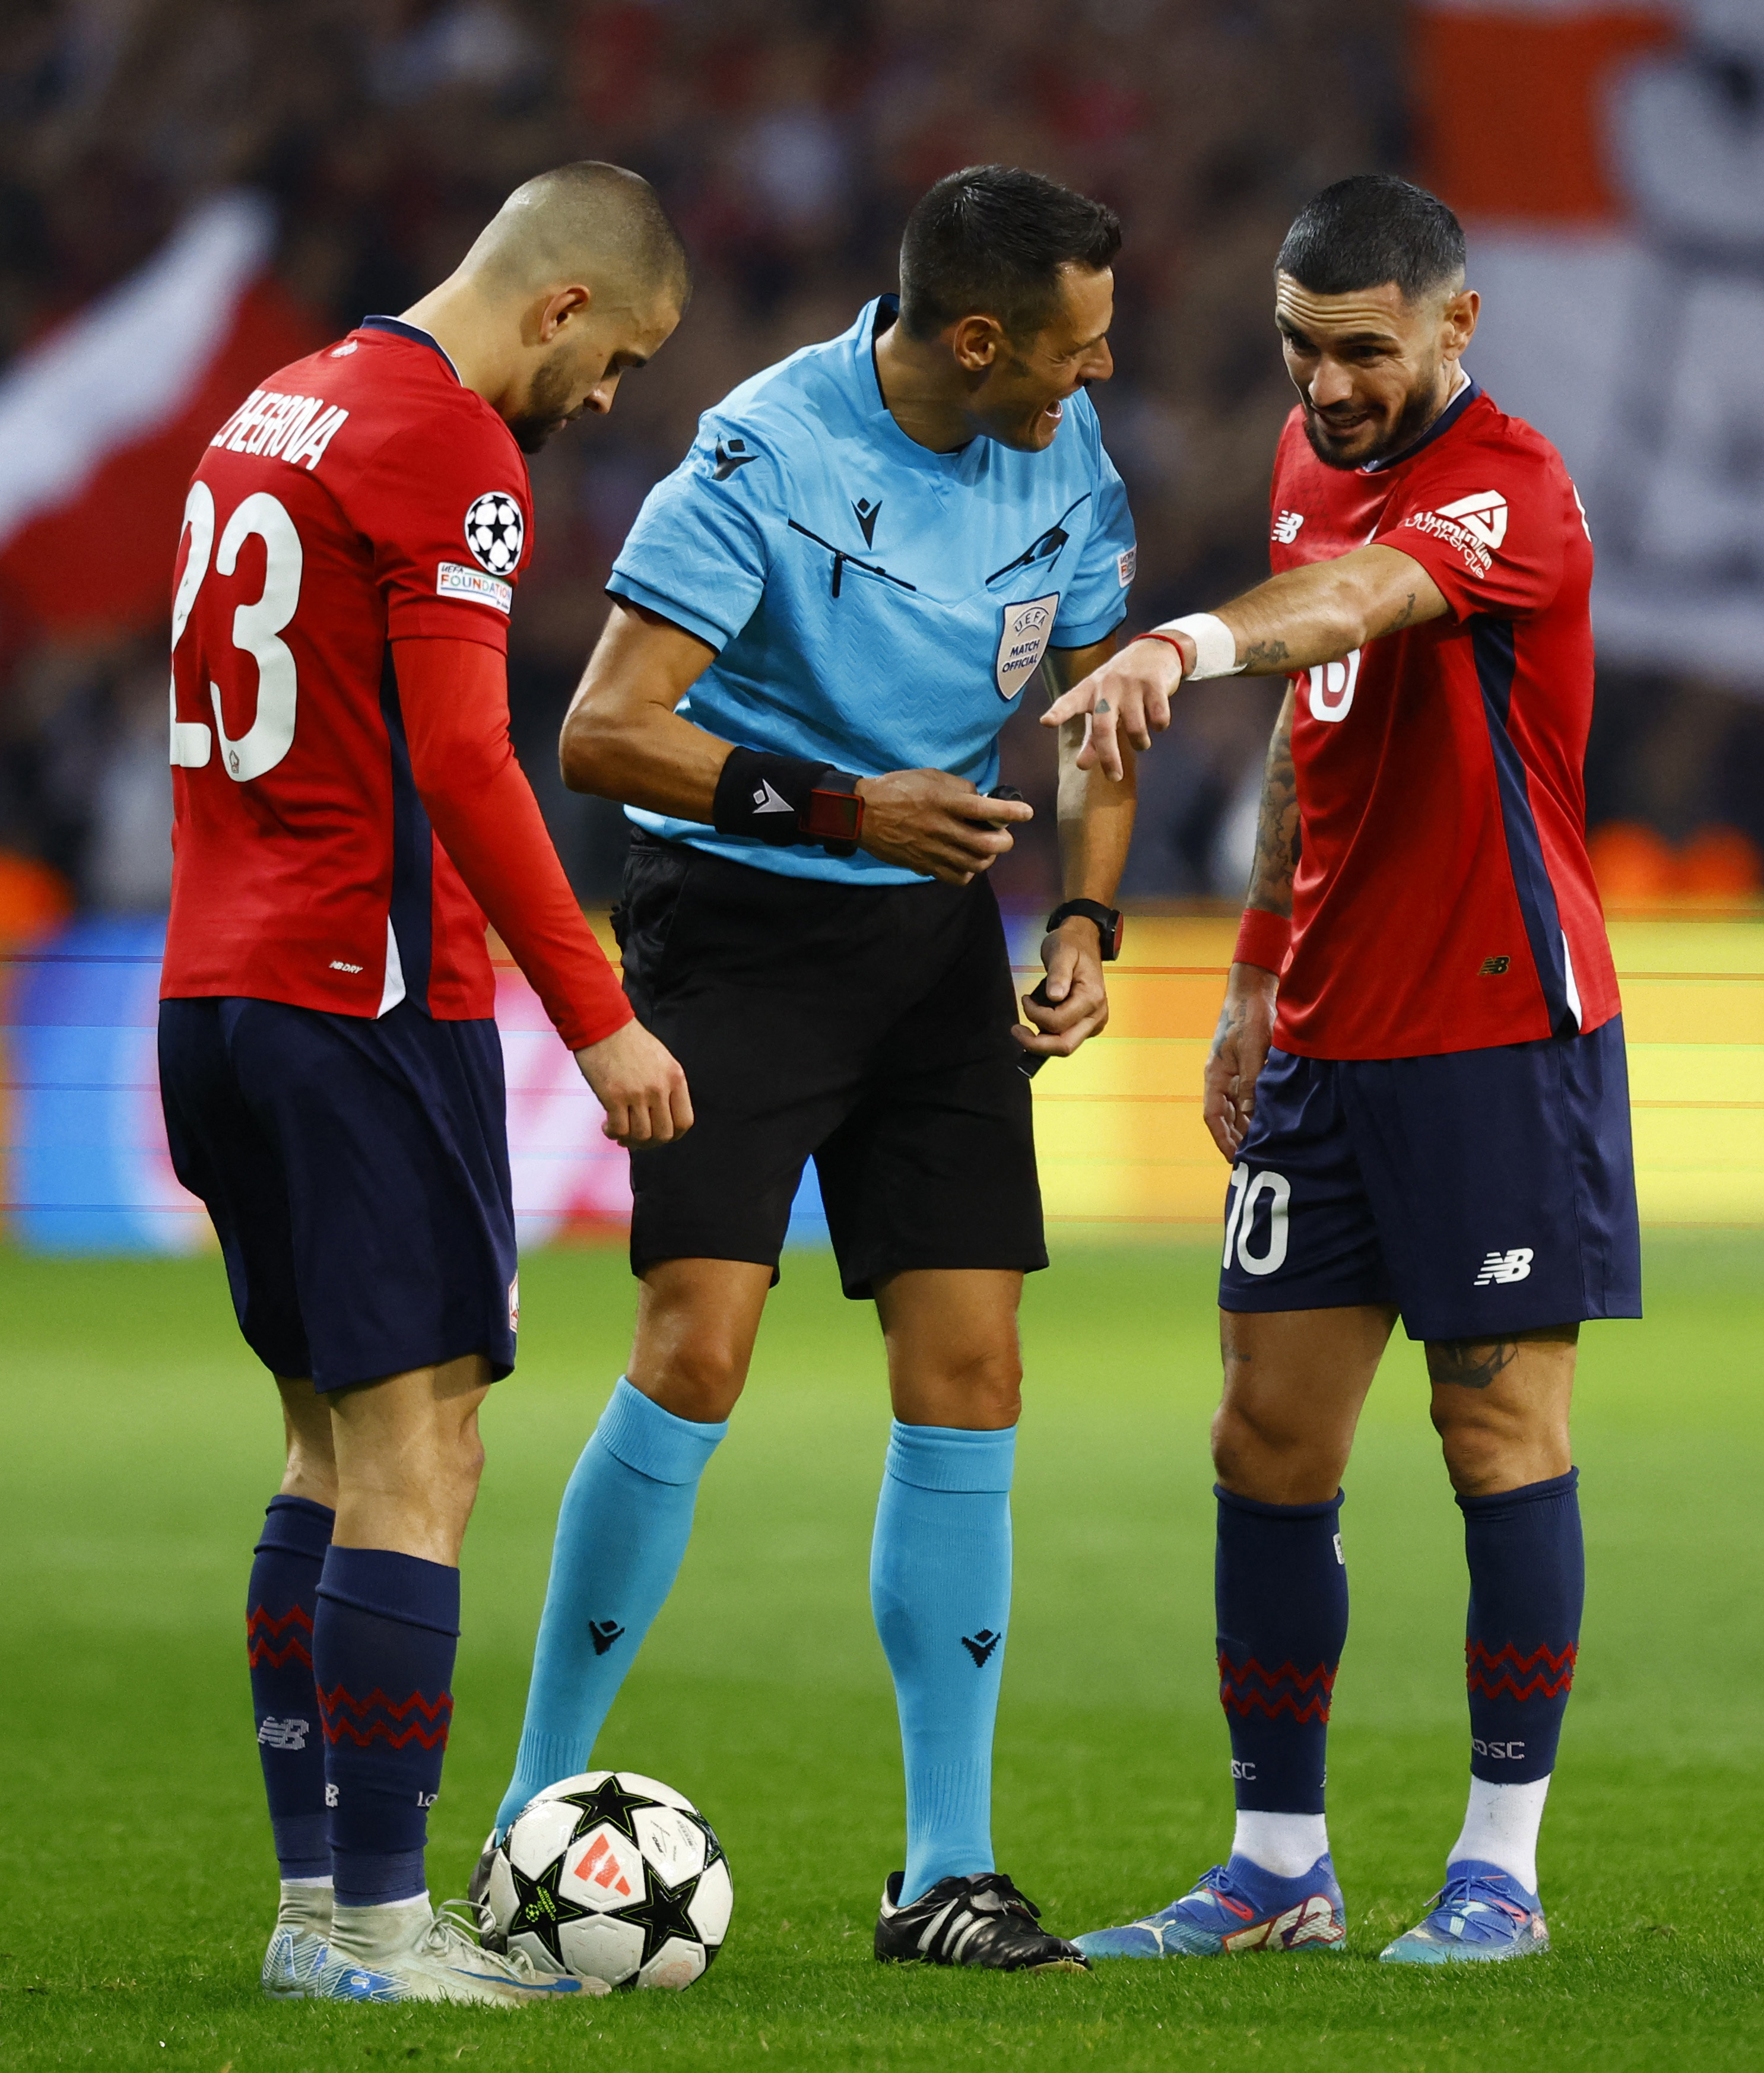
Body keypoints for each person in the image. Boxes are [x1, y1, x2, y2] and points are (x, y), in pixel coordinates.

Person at [486, 164, 1142, 1974]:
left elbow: (1098, 727)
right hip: (742, 928)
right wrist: (852, 805)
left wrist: (1085, 921)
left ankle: (948, 1869)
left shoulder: (1068, 468)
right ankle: (529, 1820)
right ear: (982, 336)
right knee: (699, 1341)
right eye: (1077, 349)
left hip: (938, 941)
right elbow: (605, 733)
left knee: (974, 1363)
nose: (1101, 379)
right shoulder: (765, 451)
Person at [1042, 173, 1638, 1966]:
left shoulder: (1507, 493)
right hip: (1327, 1033)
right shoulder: (1321, 457)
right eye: (1302, 349)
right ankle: (1277, 1868)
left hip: (1495, 1031)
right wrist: (1249, 977)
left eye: (1364, 352)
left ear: (1458, 327)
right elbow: (1325, 746)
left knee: (1494, 1428)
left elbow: (1358, 608)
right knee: (1269, 1435)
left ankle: (1501, 1867)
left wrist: (1182, 640)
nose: (1327, 386)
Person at [157, 163, 696, 2007]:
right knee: (422, 1454)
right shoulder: (454, 446)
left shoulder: (275, 403)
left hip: (214, 989)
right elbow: (469, 762)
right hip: (364, 996)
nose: (607, 399)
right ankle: (380, 1930)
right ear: (557, 309)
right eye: (617, 358)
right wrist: (598, 1015)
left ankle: (322, 1913)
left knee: (321, 1445)